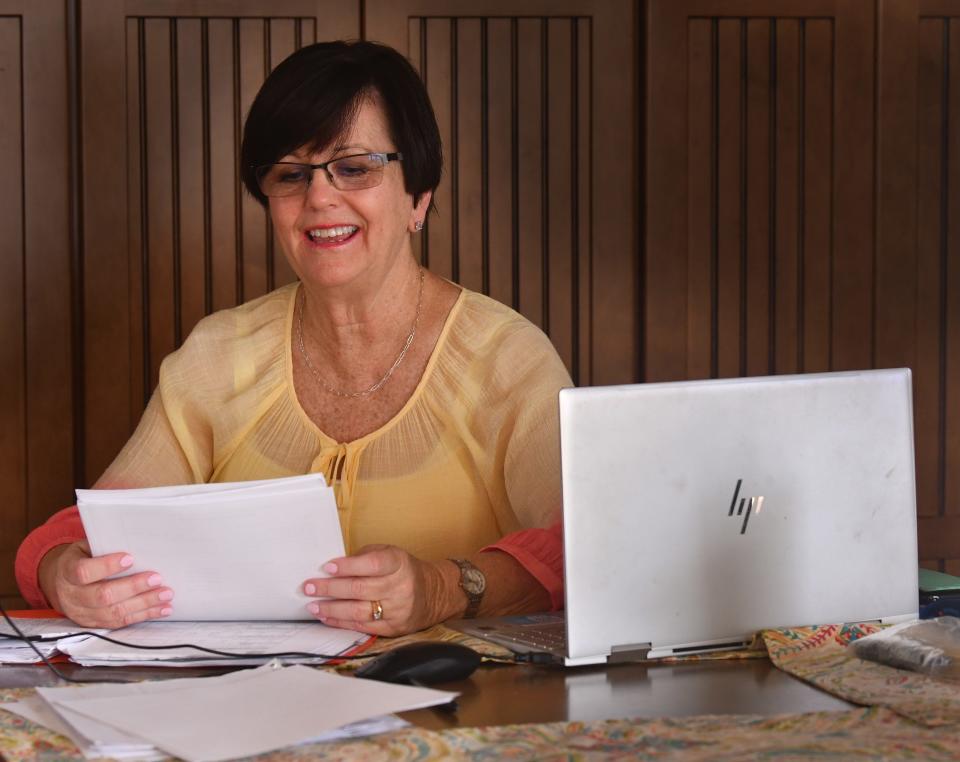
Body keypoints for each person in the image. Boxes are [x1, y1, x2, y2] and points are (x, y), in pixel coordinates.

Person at [15, 40, 570, 635]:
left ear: (419, 194)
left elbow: (582, 549)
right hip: (254, 711)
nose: (319, 197)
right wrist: (64, 573)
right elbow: (85, 532)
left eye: (354, 167)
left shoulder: (506, 358)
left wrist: (441, 589)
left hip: (461, 706)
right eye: (290, 175)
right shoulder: (217, 353)